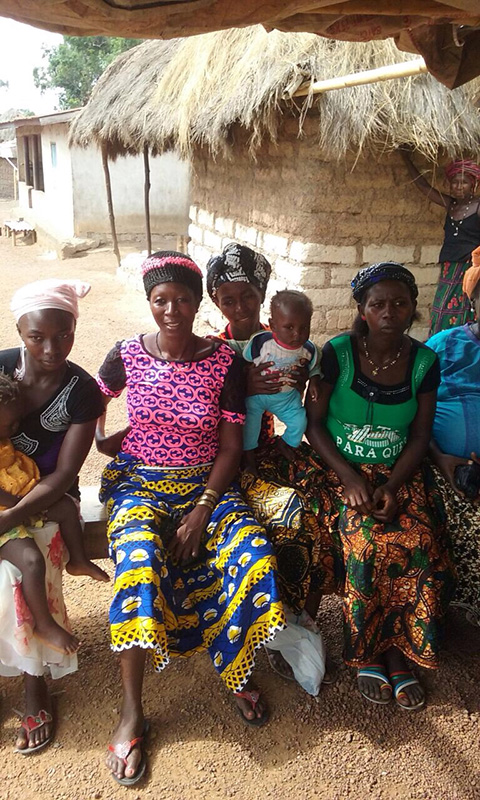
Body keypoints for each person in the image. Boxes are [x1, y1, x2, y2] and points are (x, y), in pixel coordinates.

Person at [95, 251, 285, 786]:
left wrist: (203, 507)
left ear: (198, 303)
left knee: (253, 553)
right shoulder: (126, 353)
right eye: (161, 300)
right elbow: (92, 401)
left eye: (182, 300)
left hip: (208, 484)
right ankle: (132, 710)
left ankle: (236, 668)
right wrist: (106, 440)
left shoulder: (223, 361)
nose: (172, 310)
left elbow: (230, 447)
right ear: (149, 302)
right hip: (140, 484)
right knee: (138, 566)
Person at [306, 261, 455, 710]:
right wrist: (349, 477)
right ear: (362, 310)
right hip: (340, 470)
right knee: (365, 542)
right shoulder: (337, 354)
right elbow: (314, 425)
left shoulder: (424, 362)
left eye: (399, 303)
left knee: (419, 539)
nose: (389, 311)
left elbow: (420, 435)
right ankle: (368, 650)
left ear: (412, 308)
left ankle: (399, 650)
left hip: (398, 472)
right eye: (378, 304)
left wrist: (392, 485)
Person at [206, 243, 338, 681]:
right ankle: (271, 625)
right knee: (285, 518)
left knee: (324, 503)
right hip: (231, 459)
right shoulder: (212, 348)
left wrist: (301, 386)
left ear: (262, 296)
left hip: (275, 449)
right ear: (215, 301)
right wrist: (241, 386)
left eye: (248, 296)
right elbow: (203, 411)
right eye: (227, 299)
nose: (239, 306)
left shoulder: (286, 335)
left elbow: (301, 393)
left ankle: (302, 617)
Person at [0, 277, 105, 753]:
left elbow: (64, 475)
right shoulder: (1, 370)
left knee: (21, 570)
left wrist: (11, 517)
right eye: (36, 336)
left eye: (63, 335)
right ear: (19, 332)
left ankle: (33, 681)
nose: (51, 348)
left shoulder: (82, 390)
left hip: (45, 500)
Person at [0, 372, 107, 655]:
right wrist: (20, 507)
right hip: (4, 518)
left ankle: (78, 560)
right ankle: (44, 624)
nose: (15, 428)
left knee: (66, 508)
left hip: (19, 502)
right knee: (32, 561)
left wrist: (27, 504)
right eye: (9, 424)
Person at [427, 246, 480, 624]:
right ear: (473, 301)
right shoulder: (444, 345)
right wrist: (440, 458)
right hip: (438, 464)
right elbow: (411, 414)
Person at [400, 150, 480, 335]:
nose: (458, 186)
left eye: (464, 182)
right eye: (454, 182)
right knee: (441, 309)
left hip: (469, 268)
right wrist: (406, 157)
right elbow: (423, 186)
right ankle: (441, 343)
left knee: (467, 308)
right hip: (449, 268)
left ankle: (465, 344)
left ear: (473, 184)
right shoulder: (451, 204)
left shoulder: (478, 206)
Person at [243, 290, 320, 472]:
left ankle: (285, 444)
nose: (297, 334)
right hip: (257, 396)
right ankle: (248, 457)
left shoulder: (309, 349)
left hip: (286, 399)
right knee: (250, 426)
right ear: (273, 325)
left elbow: (315, 367)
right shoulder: (261, 343)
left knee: (299, 422)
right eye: (289, 327)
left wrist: (314, 381)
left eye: (304, 328)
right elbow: (243, 359)